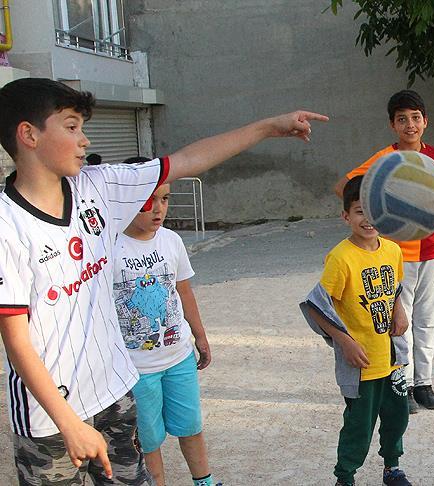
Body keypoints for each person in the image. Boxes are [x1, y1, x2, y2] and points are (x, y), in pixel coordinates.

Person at [0, 77, 326, 484]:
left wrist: (267, 127)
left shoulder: (97, 187)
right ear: (28, 134)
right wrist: (69, 424)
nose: (84, 140)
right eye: (71, 127)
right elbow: (17, 341)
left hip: (115, 393)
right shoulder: (7, 226)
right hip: (50, 418)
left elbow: (189, 160)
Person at [333, 89, 434, 412]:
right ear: (393, 125)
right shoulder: (385, 159)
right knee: (400, 320)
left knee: (428, 319)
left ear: (425, 122)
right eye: (402, 119)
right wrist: (376, 218)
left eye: (415, 118)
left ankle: (424, 384)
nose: (410, 125)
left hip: (433, 251)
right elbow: (344, 186)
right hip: (398, 254)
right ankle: (402, 385)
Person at [301, 176, 413, 486]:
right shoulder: (341, 258)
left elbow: (396, 287)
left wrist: (399, 310)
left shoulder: (392, 250)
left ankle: (392, 467)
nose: (368, 219)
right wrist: (343, 340)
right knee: (358, 426)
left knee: (396, 418)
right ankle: (345, 476)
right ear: (346, 216)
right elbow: (315, 305)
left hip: (391, 359)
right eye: (360, 211)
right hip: (361, 364)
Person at [112, 175, 218, 486]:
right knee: (148, 440)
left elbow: (184, 291)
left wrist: (200, 336)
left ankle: (205, 481)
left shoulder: (171, 241)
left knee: (191, 427)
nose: (159, 209)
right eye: (149, 202)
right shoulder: (109, 247)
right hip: (137, 369)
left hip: (178, 357)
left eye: (166, 199)